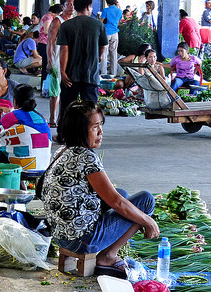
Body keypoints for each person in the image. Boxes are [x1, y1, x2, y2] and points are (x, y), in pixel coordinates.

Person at [41, 101, 159, 279]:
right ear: (80, 129)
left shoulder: (62, 151)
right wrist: (147, 221)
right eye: (95, 127)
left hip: (61, 235)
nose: (101, 132)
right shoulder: (86, 157)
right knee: (145, 200)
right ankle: (108, 256)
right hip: (80, 240)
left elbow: (116, 197)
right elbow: (116, 203)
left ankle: (105, 251)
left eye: (101, 126)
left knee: (123, 194)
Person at [56, 0, 108, 143]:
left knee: (67, 107)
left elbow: (64, 50)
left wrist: (63, 71)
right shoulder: (98, 25)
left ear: (76, 7)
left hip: (71, 75)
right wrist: (98, 56)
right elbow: (103, 46)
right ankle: (91, 137)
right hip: (90, 75)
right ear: (88, 7)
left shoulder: (66, 25)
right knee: (91, 109)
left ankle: (62, 135)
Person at [0, 84, 52, 166]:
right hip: (43, 166)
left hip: (17, 168)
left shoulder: (9, 117)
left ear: (15, 101)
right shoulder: (42, 117)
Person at [46, 0, 74, 128]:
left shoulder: (74, 20)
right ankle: (52, 119)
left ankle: (61, 119)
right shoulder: (57, 21)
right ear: (62, 6)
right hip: (57, 61)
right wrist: (50, 61)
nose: (72, 7)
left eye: (73, 4)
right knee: (55, 91)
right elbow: (50, 41)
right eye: (69, 4)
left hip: (70, 62)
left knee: (66, 92)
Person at [39, 4, 62, 91]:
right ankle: (44, 88)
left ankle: (46, 88)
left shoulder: (47, 16)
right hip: (45, 44)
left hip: (45, 43)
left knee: (47, 66)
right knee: (47, 66)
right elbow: (46, 30)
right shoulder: (48, 17)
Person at [100, 0, 123, 76]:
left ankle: (103, 73)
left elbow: (101, 21)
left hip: (106, 33)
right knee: (113, 54)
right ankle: (113, 73)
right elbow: (120, 21)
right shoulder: (119, 11)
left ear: (107, 2)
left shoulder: (105, 10)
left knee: (104, 54)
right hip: (115, 34)